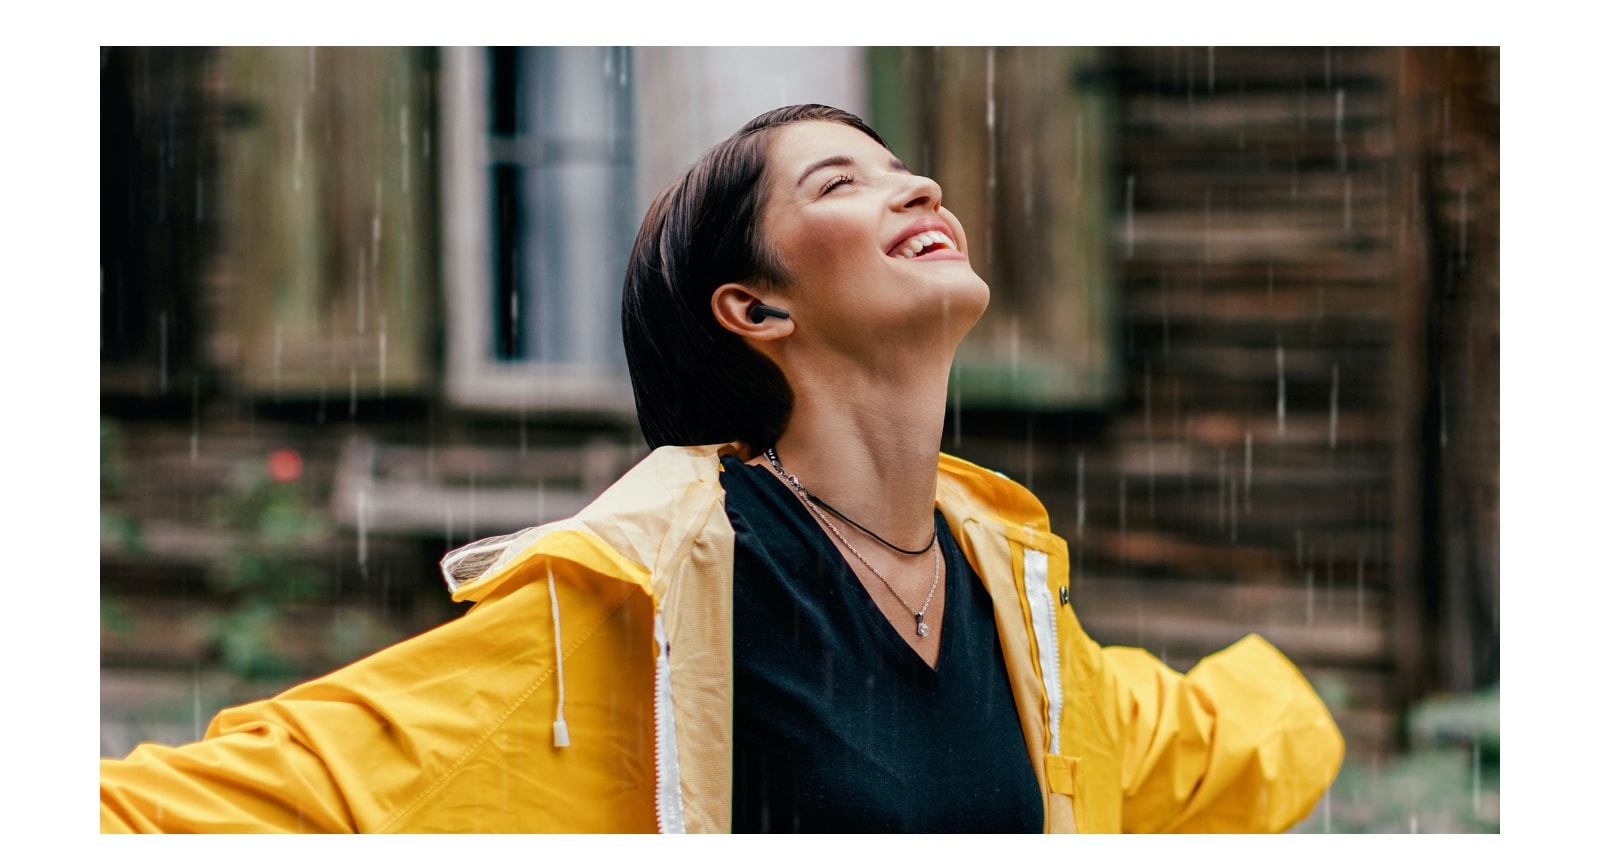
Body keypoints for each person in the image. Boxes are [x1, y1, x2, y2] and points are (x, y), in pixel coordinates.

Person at [100, 104, 1344, 834]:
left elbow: (1196, 750)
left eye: (900, 165)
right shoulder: (653, 601)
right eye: (838, 180)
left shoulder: (1011, 600)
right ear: (753, 309)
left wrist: (1316, 709)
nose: (916, 181)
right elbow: (301, 789)